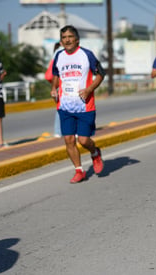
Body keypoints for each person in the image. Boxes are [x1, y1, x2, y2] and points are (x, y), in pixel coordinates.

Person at [50, 25, 105, 183]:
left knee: (83, 140)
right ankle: (79, 170)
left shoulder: (86, 55)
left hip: (84, 106)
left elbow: (101, 74)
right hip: (65, 106)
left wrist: (89, 90)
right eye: (64, 38)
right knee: (68, 140)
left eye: (69, 37)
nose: (67, 40)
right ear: (61, 41)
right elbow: (55, 74)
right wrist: (54, 88)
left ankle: (95, 152)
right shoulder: (59, 56)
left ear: (77, 39)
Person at [45, 42, 63, 137]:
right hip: (62, 82)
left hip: (56, 83)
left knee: (60, 107)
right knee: (65, 106)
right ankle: (59, 130)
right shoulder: (61, 51)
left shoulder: (55, 52)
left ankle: (58, 131)